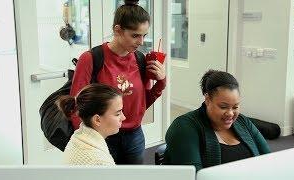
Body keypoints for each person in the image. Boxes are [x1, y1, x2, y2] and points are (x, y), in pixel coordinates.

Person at [70, 0, 166, 164]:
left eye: (144, 35)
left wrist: (161, 82)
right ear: (118, 30)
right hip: (103, 136)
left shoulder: (140, 59)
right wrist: (86, 140)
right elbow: (76, 105)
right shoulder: (91, 58)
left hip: (134, 136)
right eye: (135, 35)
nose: (141, 42)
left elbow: (141, 104)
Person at [164, 69, 270, 171]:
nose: (230, 113)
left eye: (235, 107)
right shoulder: (184, 127)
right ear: (207, 99)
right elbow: (194, 176)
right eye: (223, 107)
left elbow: (269, 159)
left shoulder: (242, 121)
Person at [57, 83, 126, 165]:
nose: (123, 117)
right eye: (117, 114)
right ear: (97, 120)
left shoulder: (77, 138)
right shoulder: (100, 162)